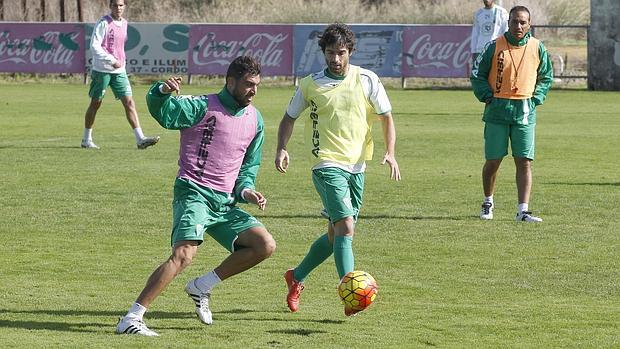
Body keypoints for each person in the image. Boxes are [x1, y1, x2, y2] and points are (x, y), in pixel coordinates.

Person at [115, 56, 276, 336]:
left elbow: (249, 165)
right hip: (194, 193)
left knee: (264, 245)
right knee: (184, 255)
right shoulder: (201, 106)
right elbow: (164, 112)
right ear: (231, 82)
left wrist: (246, 190)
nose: (253, 90)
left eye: (257, 85)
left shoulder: (255, 119)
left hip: (224, 203)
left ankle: (202, 286)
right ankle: (132, 317)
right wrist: (161, 92)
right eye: (249, 84)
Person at [274, 23, 401, 317]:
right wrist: (282, 147)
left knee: (335, 236)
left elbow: (386, 117)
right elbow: (288, 118)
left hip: (357, 165)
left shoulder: (367, 79)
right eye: (330, 53)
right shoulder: (310, 84)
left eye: (341, 53)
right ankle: (352, 294)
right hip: (326, 163)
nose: (335, 59)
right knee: (346, 226)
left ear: (350, 52)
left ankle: (297, 276)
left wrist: (391, 153)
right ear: (324, 53)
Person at [470, 6, 553, 222]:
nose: (518, 26)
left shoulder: (537, 47)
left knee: (524, 161)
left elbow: (546, 76)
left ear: (529, 24)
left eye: (523, 22)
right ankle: (488, 202)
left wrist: (536, 98)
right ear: (508, 22)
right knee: (493, 160)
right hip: (497, 110)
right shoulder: (494, 46)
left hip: (524, 111)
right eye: (515, 21)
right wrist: (487, 96)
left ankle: (522, 211)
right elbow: (477, 74)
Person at [81, 0, 159, 149]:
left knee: (129, 102)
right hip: (102, 70)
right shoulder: (103, 23)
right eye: (115, 5)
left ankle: (140, 139)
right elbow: (94, 46)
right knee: (96, 103)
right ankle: (86, 139)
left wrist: (120, 62)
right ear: (110, 6)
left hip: (119, 71)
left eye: (121, 5)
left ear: (125, 7)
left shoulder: (124, 23)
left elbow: (118, 47)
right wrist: (111, 60)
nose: (118, 8)